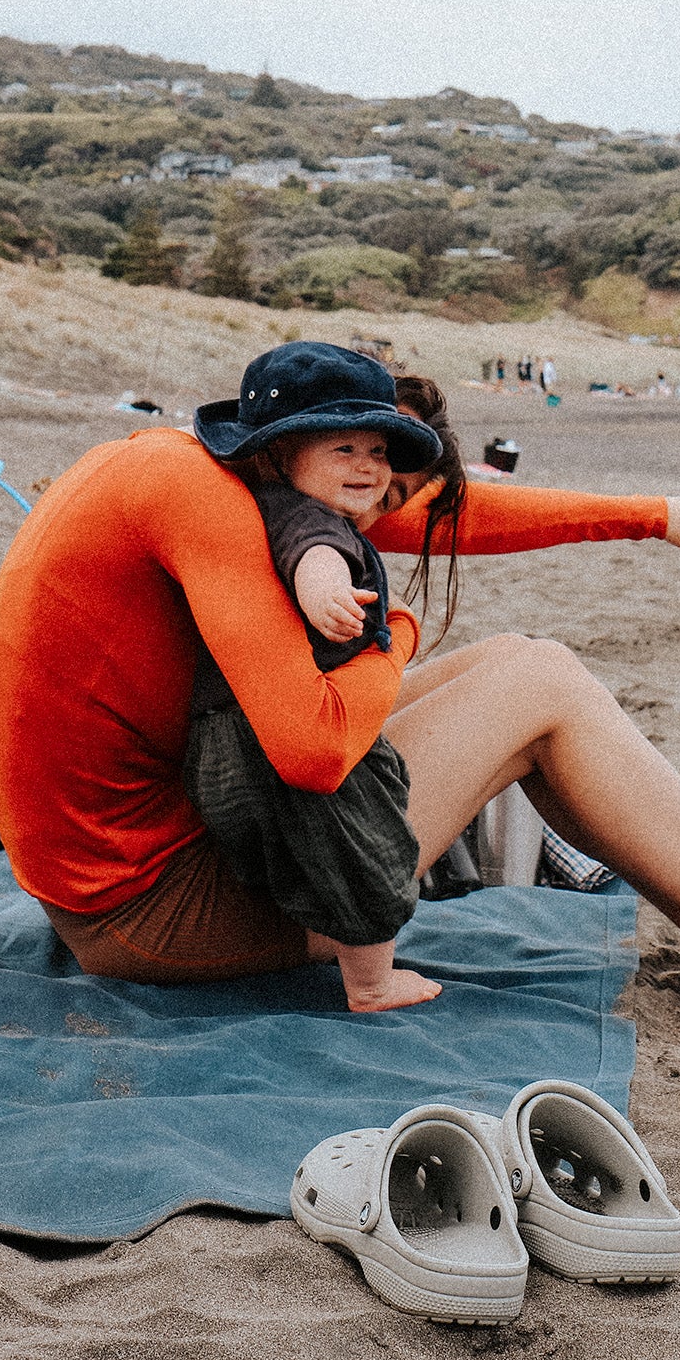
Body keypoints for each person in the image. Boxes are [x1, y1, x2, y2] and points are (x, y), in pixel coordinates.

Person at [0, 341, 680, 1015]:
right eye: (360, 459)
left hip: (132, 868)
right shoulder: (204, 510)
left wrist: (656, 514)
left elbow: (451, 516)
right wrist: (393, 632)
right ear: (289, 452)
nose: (384, 496)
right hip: (156, 916)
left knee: (524, 662)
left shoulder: (208, 474)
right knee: (543, 690)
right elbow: (314, 753)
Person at [183, 345, 445, 1011]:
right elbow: (313, 557)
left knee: (341, 835)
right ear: (276, 454)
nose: (369, 466)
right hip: (271, 737)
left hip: (237, 738)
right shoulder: (304, 518)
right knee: (367, 849)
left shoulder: (273, 505)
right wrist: (325, 593)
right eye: (344, 449)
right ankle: (371, 984)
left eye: (379, 451)